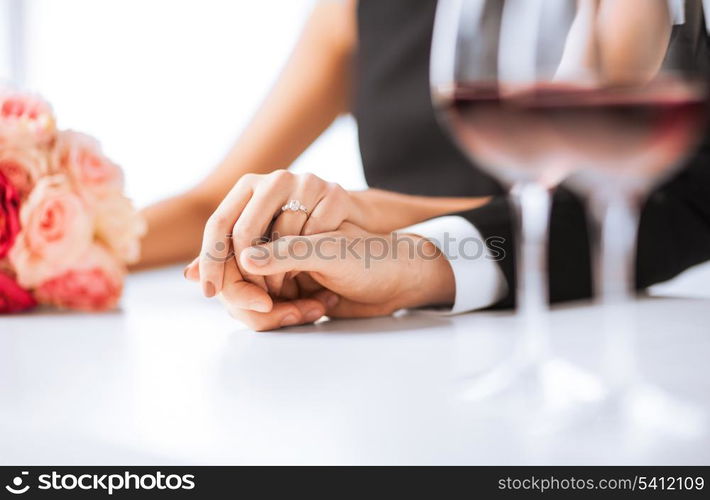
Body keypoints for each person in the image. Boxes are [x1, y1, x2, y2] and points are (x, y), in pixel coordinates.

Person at [150, 0, 710, 330]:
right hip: (399, 342)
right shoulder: (354, 9)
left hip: (571, 330)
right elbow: (210, 201)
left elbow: (632, 200)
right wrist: (85, 241)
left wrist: (390, 235)